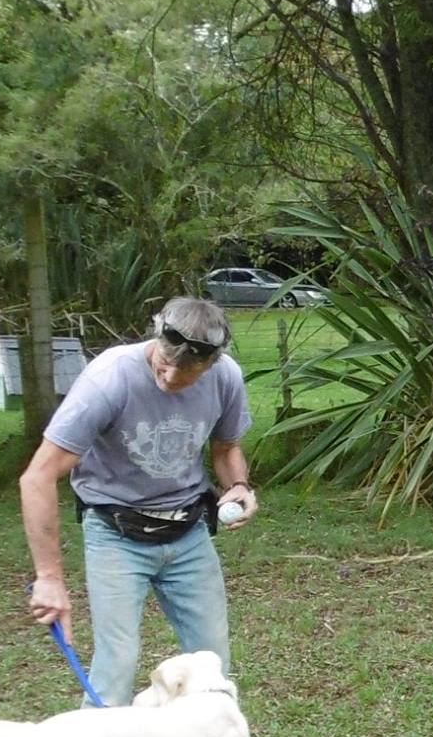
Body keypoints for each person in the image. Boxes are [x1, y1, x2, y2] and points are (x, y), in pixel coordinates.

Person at [20, 296, 258, 707]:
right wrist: (49, 578)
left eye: (186, 372)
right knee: (117, 663)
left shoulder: (226, 378)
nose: (168, 375)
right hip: (116, 533)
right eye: (164, 362)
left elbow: (226, 448)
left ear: (213, 362)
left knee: (212, 662)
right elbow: (37, 476)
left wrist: (238, 485)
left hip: (188, 532)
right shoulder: (109, 378)